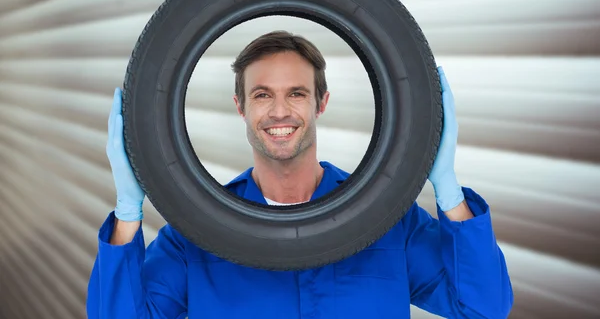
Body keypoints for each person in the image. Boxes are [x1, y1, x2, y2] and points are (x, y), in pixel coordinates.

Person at [86, 31, 513, 318]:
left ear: (321, 102)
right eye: (261, 95)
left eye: (296, 93)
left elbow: (484, 307)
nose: (278, 111)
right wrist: (128, 212)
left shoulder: (387, 219)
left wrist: (448, 191)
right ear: (241, 107)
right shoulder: (197, 232)